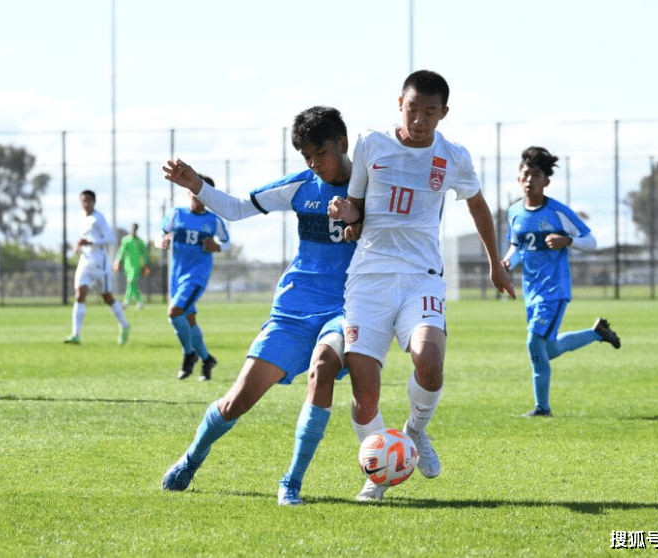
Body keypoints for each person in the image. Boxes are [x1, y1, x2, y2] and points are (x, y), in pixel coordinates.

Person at [328, 70, 516, 502]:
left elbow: (479, 206)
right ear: (400, 104)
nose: (419, 120)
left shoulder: (453, 156)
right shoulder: (371, 143)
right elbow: (356, 207)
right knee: (364, 390)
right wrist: (345, 212)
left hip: (422, 276)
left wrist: (495, 263)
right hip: (369, 277)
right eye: (413, 109)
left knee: (429, 360)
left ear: (443, 113)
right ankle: (377, 473)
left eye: (429, 112)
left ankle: (413, 435)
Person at [160, 106, 359, 506]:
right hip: (295, 305)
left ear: (343, 143)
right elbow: (235, 209)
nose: (314, 164)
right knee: (238, 400)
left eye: (321, 153)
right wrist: (196, 183)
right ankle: (192, 457)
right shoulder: (302, 186)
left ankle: (291, 482)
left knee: (322, 366)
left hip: (349, 305)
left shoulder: (375, 187)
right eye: (306, 157)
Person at [501, 146, 621, 418]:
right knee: (548, 348)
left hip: (554, 290)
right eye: (525, 174)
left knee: (534, 343)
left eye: (536, 175)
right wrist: (508, 261)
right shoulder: (514, 213)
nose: (529, 179)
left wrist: (567, 241)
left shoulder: (557, 212)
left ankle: (542, 408)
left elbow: (591, 241)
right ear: (519, 179)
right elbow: (518, 247)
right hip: (531, 291)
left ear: (546, 181)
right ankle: (597, 333)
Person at [160, 176, 230, 381]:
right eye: (193, 191)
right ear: (188, 191)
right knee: (189, 320)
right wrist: (162, 241)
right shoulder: (176, 214)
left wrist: (216, 247)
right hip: (176, 275)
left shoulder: (214, 220)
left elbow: (226, 243)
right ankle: (207, 360)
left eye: (202, 193)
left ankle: (189, 355)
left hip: (196, 276)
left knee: (174, 312)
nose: (196, 197)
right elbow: (161, 234)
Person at [64, 190, 130, 345]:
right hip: (85, 262)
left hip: (100, 263)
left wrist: (91, 243)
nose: (85, 203)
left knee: (107, 297)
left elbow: (111, 239)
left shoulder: (98, 219)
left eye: (88, 200)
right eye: (82, 200)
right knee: (80, 294)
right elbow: (83, 238)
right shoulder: (81, 218)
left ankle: (125, 325)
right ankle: (76, 335)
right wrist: (78, 246)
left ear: (93, 202)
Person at [113, 223, 150, 310]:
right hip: (127, 265)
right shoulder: (125, 240)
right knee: (132, 284)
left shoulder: (140, 241)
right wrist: (117, 261)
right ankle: (139, 302)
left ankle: (126, 302)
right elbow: (121, 252)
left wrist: (145, 265)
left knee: (131, 281)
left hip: (137, 265)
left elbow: (144, 254)